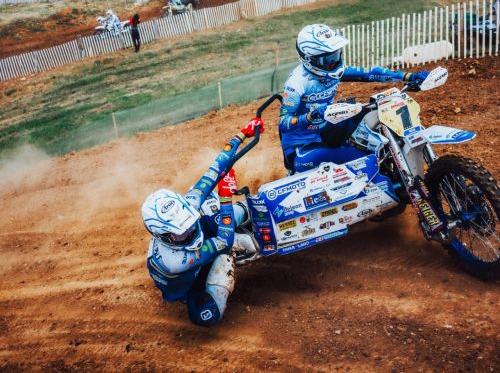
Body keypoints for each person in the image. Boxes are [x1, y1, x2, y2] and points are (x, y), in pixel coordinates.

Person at [141, 118, 264, 326]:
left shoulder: (189, 204)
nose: (189, 231)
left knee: (217, 208)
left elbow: (215, 169)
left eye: (188, 222)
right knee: (207, 315)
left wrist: (242, 134)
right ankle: (237, 244)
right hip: (191, 283)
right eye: (180, 232)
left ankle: (248, 211)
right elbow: (223, 241)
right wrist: (225, 196)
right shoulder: (174, 262)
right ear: (163, 236)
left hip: (203, 249)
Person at [278, 24, 429, 173]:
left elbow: (368, 73)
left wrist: (408, 76)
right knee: (365, 160)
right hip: (302, 147)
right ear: (308, 59)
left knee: (373, 128)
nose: (333, 63)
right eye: (326, 60)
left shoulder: (333, 71)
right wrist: (310, 116)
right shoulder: (297, 83)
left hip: (327, 132)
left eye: (335, 55)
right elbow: (284, 122)